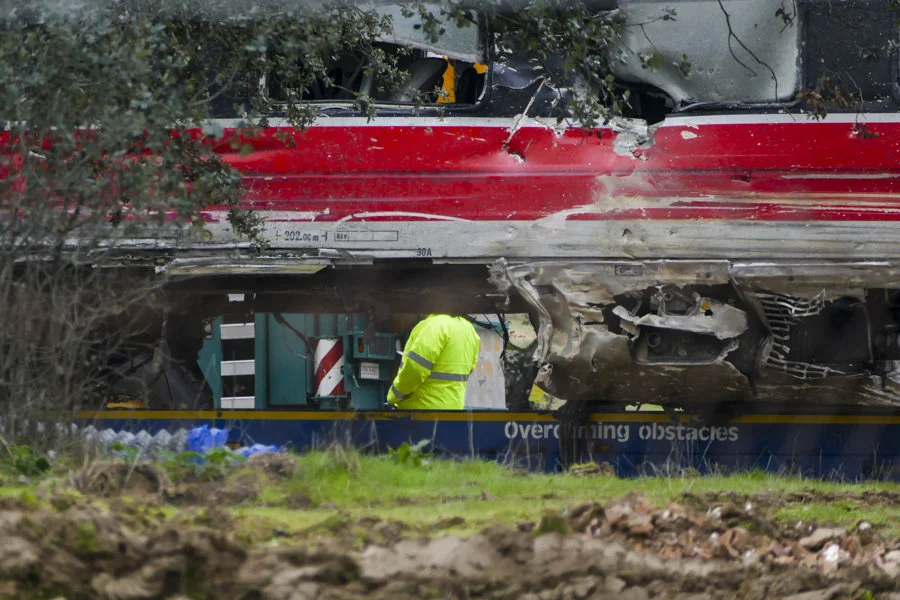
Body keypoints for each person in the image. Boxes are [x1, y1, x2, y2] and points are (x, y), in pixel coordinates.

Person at [387, 314, 480, 410]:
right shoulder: (469, 330)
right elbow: (469, 369)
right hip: (454, 411)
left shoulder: (434, 326)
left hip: (423, 412)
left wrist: (393, 396)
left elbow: (415, 369)